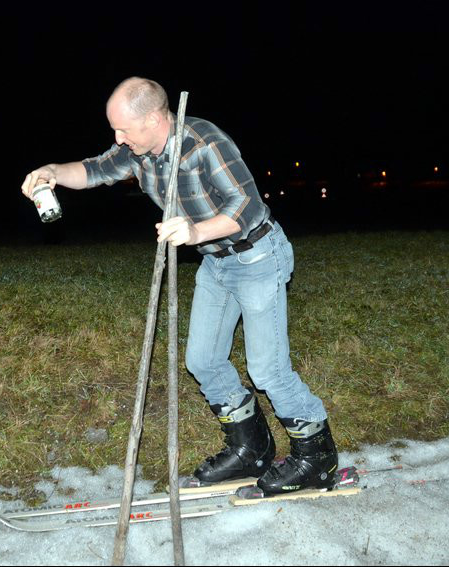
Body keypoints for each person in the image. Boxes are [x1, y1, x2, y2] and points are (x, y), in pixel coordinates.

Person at [20, 77, 338, 495]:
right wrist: (52, 173)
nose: (118, 139)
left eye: (123, 130)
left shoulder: (204, 143)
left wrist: (195, 231)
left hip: (257, 256)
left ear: (154, 119)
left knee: (267, 369)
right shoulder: (137, 152)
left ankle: (316, 458)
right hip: (217, 262)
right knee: (203, 361)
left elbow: (246, 207)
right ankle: (251, 450)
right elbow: (94, 170)